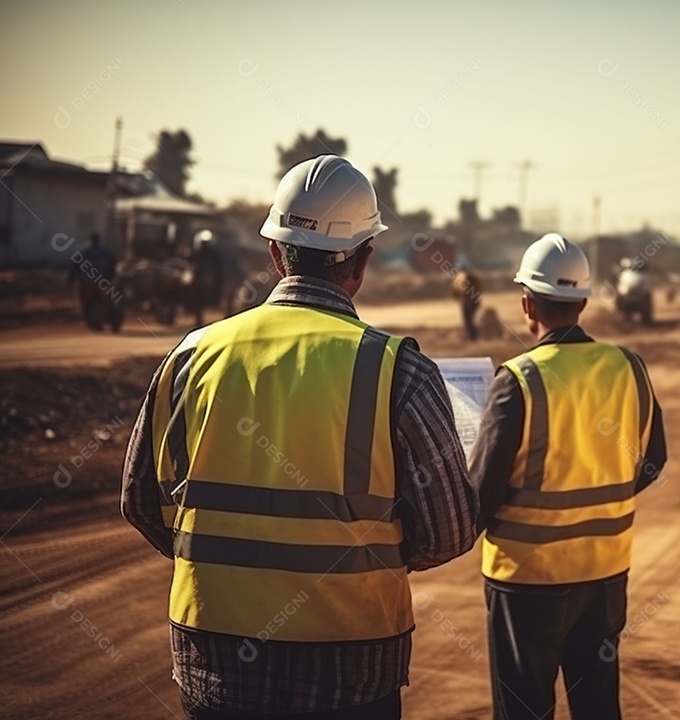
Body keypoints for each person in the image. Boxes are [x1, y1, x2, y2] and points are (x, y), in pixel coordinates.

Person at [121, 155, 479, 720]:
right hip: (351, 662)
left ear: (274, 253)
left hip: (213, 655)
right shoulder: (398, 370)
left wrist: (219, 567)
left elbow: (141, 500)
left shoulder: (191, 356)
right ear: (362, 262)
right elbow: (451, 530)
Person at [470, 233, 667, 720]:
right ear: (582, 301)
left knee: (524, 709)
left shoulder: (518, 379)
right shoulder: (628, 367)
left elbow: (483, 493)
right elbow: (652, 460)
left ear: (526, 304)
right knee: (598, 706)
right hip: (604, 574)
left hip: (527, 579)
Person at [68, 232, 116, 330]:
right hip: (102, 282)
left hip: (87, 283)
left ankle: (89, 320)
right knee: (106, 301)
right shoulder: (105, 252)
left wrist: (71, 279)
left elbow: (75, 267)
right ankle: (102, 319)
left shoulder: (84, 252)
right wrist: (111, 278)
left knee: (85, 302)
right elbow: (113, 266)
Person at [188, 229, 224, 326]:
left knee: (201, 301)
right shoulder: (197, 253)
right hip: (200, 280)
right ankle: (199, 320)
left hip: (206, 281)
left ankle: (200, 319)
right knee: (198, 301)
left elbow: (218, 269)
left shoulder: (212, 254)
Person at [451, 261, 482, 341]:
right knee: (470, 319)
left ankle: (472, 337)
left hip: (466, 301)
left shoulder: (459, 278)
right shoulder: (472, 277)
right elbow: (478, 289)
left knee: (468, 320)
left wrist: (458, 298)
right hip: (474, 300)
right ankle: (473, 336)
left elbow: (456, 291)